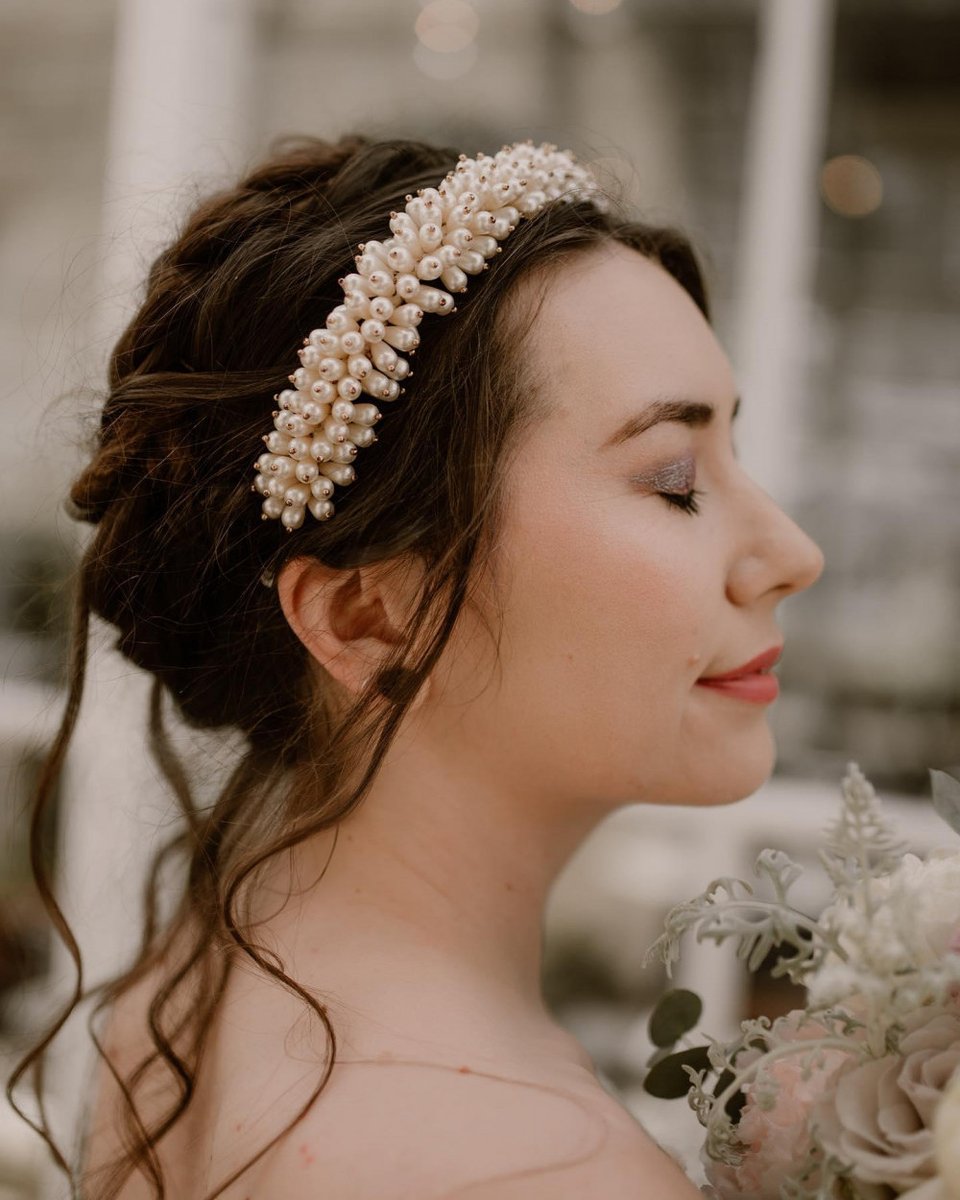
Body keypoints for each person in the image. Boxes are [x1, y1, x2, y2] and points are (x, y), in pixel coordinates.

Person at [9, 133, 825, 1198]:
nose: (793, 555)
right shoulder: (521, 1170)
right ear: (366, 617)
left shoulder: (199, 995)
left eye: (734, 455)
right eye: (674, 480)